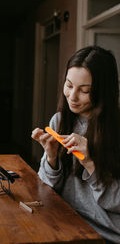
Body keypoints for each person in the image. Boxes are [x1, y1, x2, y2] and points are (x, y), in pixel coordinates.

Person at [32, 46, 120, 244]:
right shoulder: (59, 121)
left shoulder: (115, 131)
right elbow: (45, 190)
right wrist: (52, 158)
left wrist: (90, 162)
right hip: (65, 222)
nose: (72, 96)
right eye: (69, 85)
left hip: (105, 234)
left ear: (102, 90)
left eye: (84, 90)